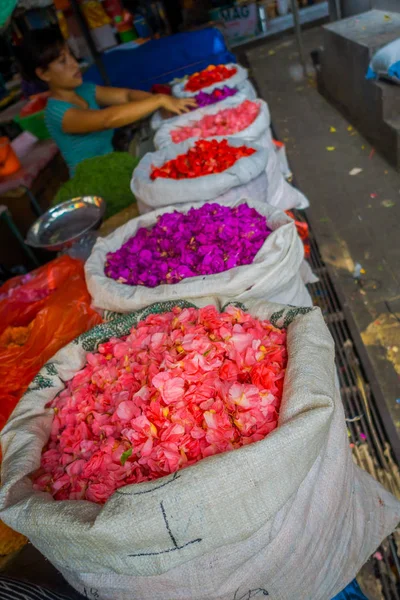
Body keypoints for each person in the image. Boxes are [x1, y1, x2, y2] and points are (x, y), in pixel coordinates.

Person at [18, 28, 196, 175]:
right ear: (44, 74)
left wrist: (162, 104)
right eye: (62, 61)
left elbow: (126, 95)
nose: (74, 64)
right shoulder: (56, 113)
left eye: (71, 55)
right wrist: (159, 100)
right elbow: (106, 119)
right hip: (94, 180)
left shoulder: (85, 89)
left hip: (114, 165)